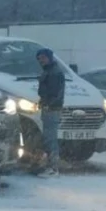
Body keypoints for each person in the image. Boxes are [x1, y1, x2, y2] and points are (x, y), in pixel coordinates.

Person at [35, 48, 65, 177]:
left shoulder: (54, 73)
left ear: (49, 57)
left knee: (50, 139)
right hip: (49, 108)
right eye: (39, 58)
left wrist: (48, 104)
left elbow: (54, 93)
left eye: (43, 57)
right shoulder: (50, 70)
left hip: (51, 109)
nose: (41, 60)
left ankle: (53, 168)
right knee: (48, 138)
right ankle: (50, 166)